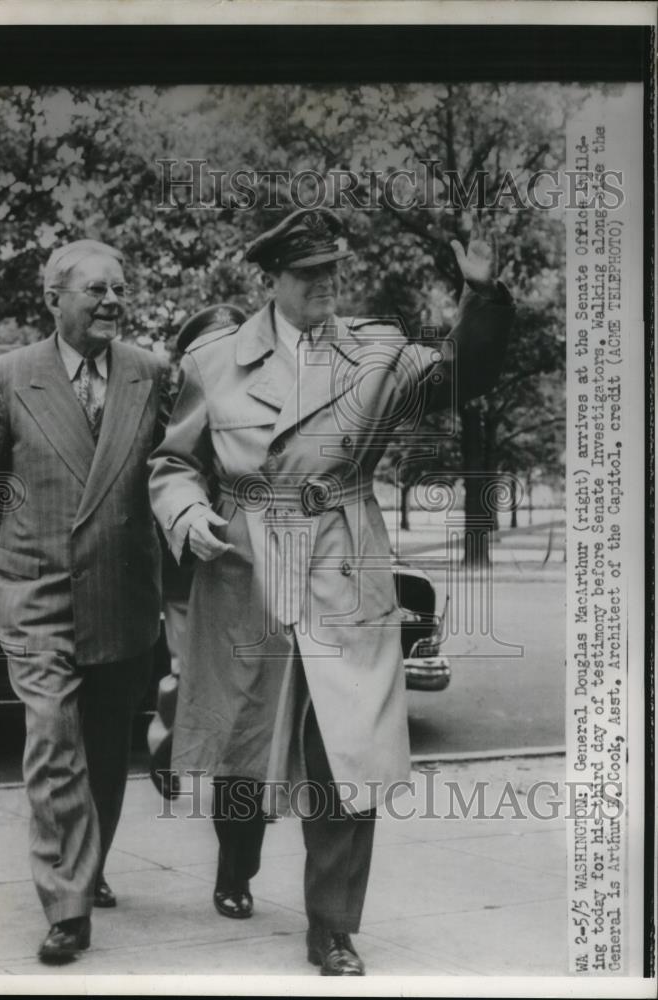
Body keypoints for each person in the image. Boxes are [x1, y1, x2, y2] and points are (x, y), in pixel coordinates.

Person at [149, 207, 515, 976]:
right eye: (308, 273)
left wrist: (482, 296)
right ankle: (235, 860)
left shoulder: (377, 352)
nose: (324, 285)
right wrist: (186, 513)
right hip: (248, 563)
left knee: (345, 752)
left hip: (344, 559)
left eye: (332, 271)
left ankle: (333, 928)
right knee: (246, 750)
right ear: (272, 280)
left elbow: (461, 376)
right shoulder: (213, 362)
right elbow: (175, 463)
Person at [0, 239, 170, 964]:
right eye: (95, 290)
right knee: (52, 741)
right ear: (53, 299)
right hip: (36, 590)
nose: (110, 302)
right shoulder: (6, 379)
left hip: (122, 594)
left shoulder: (152, 374)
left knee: (103, 748)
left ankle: (87, 864)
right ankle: (67, 903)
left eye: (118, 290)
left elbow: (175, 471)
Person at [147, 304, 246, 801]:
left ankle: (230, 768)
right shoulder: (173, 403)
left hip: (238, 561)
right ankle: (169, 744)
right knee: (189, 665)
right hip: (185, 564)